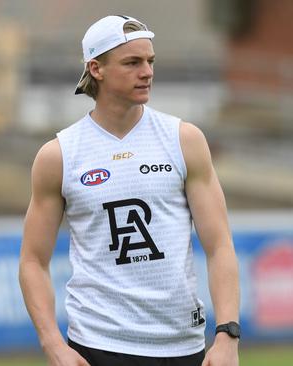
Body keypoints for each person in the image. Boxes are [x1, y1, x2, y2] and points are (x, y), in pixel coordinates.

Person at [19, 15, 240, 366]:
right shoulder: (59, 155)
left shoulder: (184, 140)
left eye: (150, 61)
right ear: (96, 68)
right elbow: (32, 260)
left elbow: (220, 245)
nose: (147, 72)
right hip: (98, 345)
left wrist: (228, 335)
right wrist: (53, 345)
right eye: (132, 62)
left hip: (182, 344)